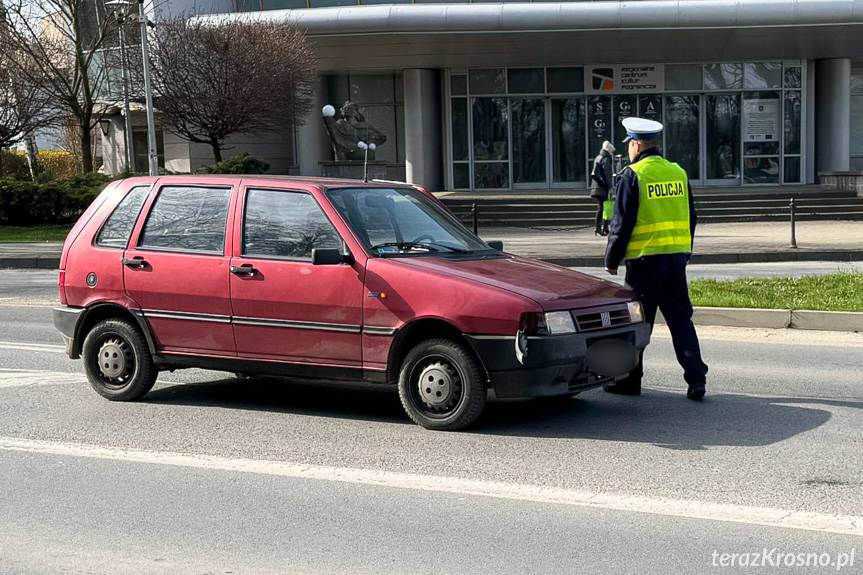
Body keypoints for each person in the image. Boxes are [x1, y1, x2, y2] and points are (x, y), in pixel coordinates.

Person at [603, 117, 708, 400]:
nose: (628, 150)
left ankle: (629, 380)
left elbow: (621, 223)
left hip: (644, 263)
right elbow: (692, 217)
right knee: (681, 321)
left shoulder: (632, 174)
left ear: (636, 144)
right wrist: (685, 251)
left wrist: (611, 259)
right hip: (675, 262)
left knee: (637, 325)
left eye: (629, 145)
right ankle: (696, 379)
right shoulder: (678, 172)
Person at [590, 140, 616, 236]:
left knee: (601, 207)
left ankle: (599, 227)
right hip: (603, 188)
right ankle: (604, 227)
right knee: (605, 208)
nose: (612, 154)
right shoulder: (606, 159)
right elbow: (607, 175)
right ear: (609, 151)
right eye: (612, 152)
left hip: (596, 187)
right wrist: (610, 187)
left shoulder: (598, 157)